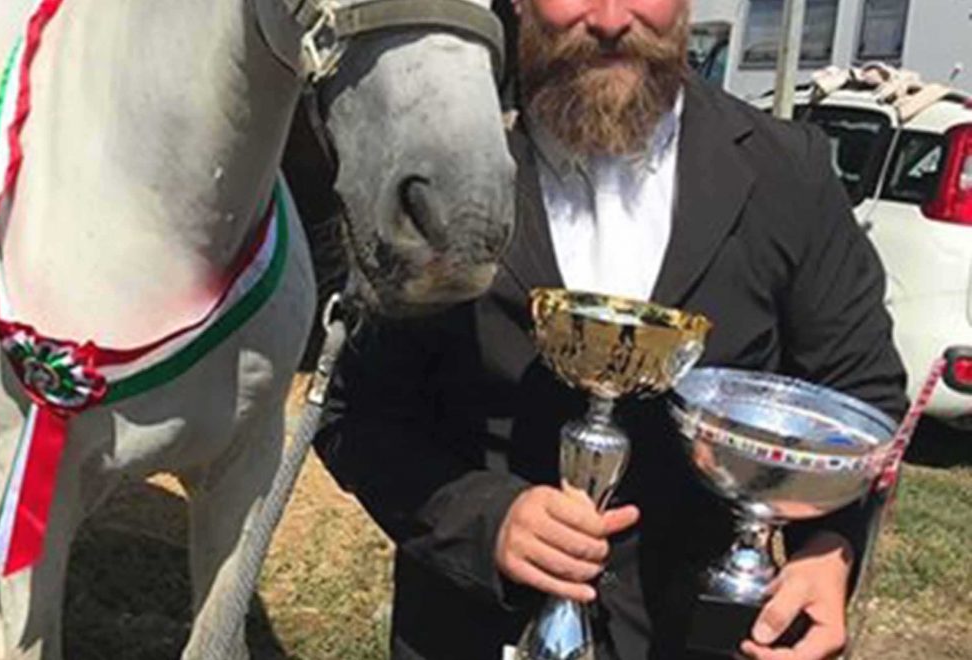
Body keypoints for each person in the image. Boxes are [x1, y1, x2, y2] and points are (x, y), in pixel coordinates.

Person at [311, 0, 908, 658]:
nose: (610, 19)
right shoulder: (446, 171)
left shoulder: (787, 173)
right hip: (471, 633)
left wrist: (829, 546)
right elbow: (353, 411)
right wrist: (484, 519)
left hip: (704, 639)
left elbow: (862, 397)